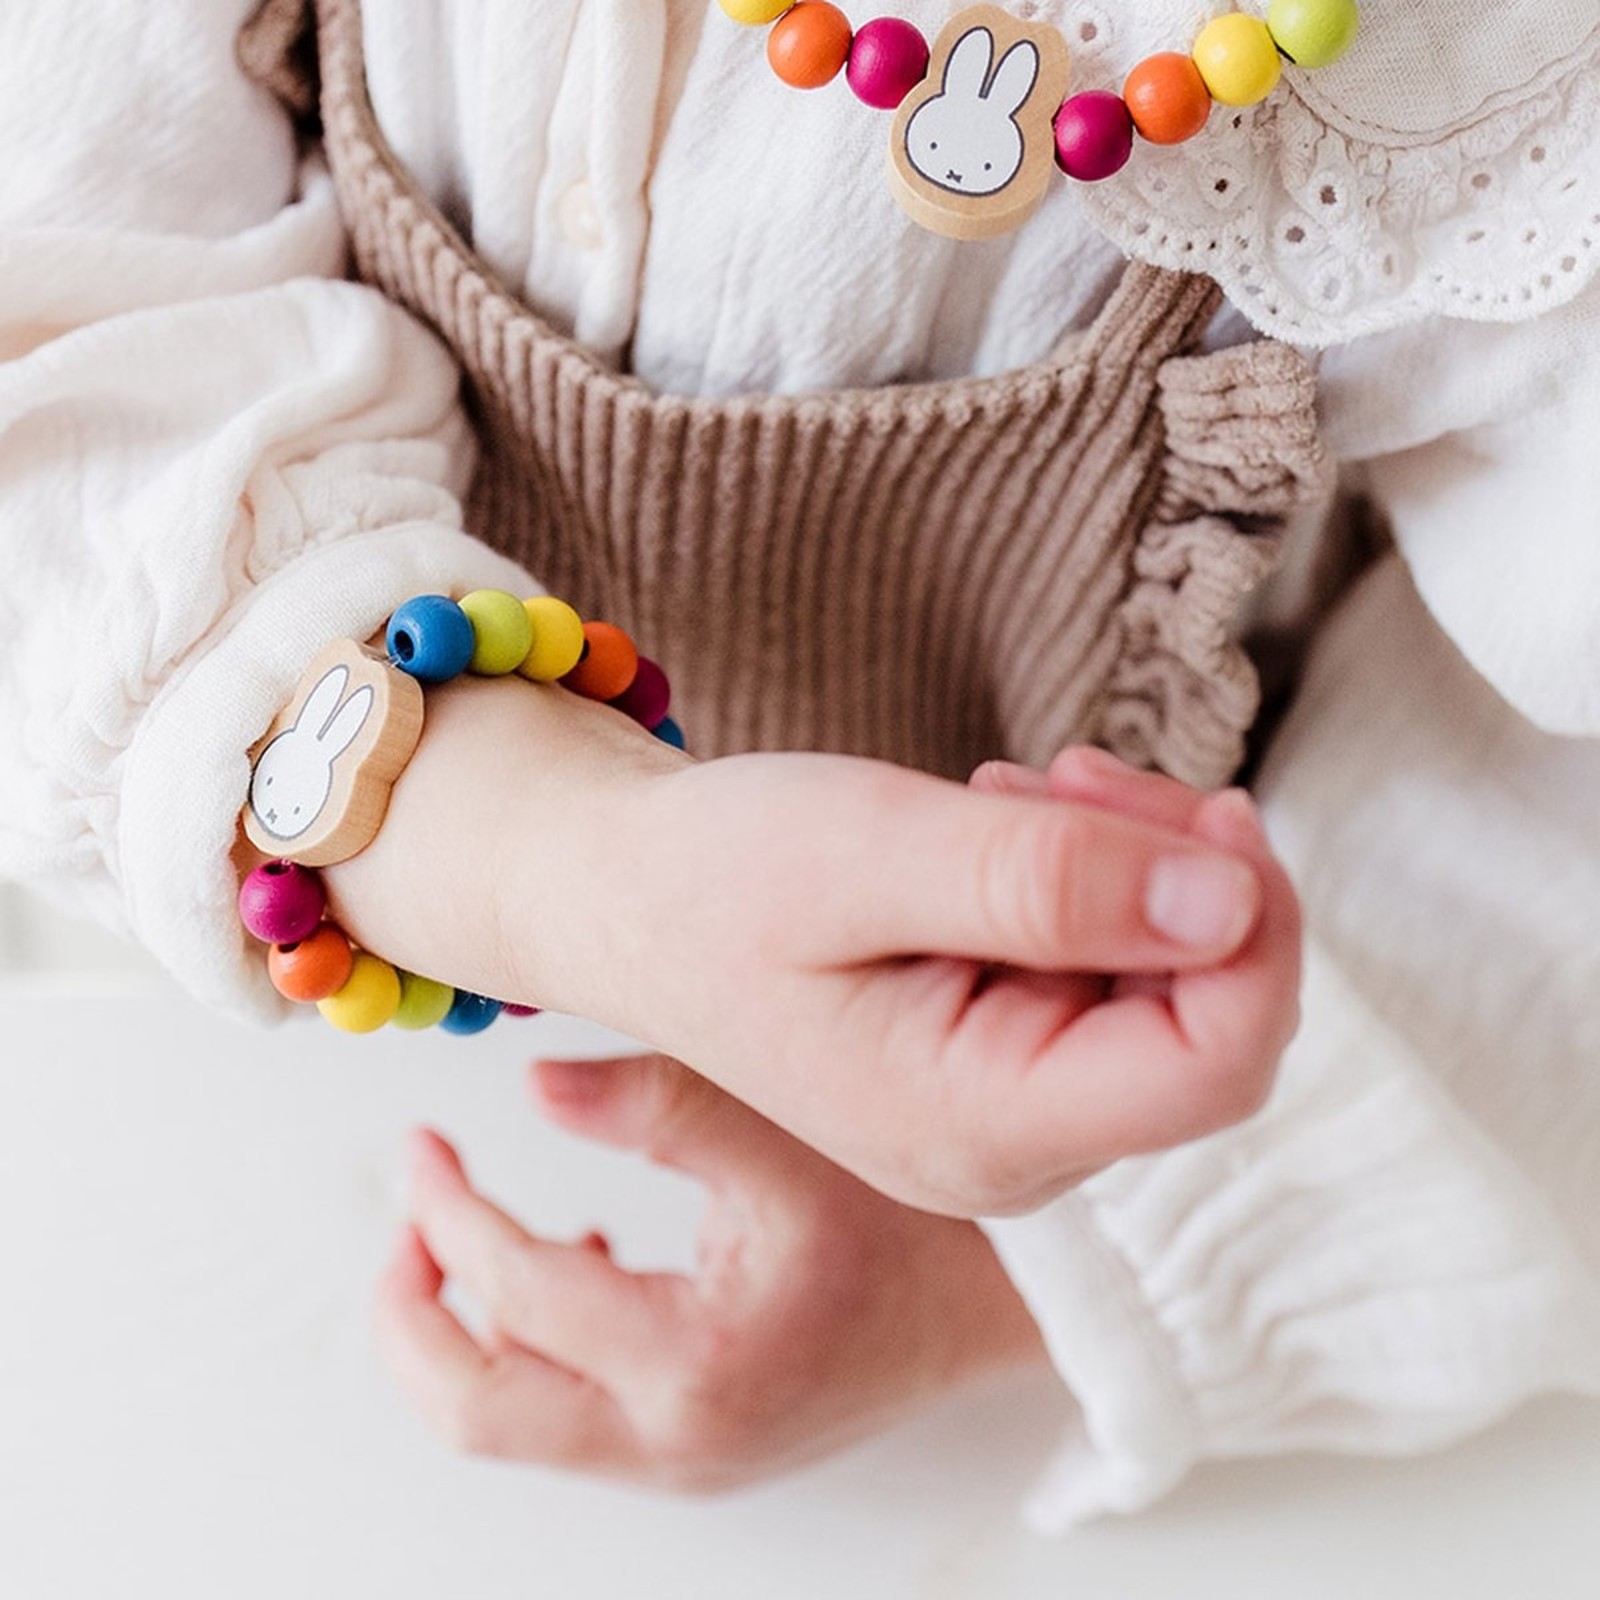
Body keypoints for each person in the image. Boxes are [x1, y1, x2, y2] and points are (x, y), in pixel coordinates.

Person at [2, 0, 1597, 1526]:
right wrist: (563, 864)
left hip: (1070, 1107)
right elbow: (65, 291)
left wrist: (1008, 1279)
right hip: (214, 1029)